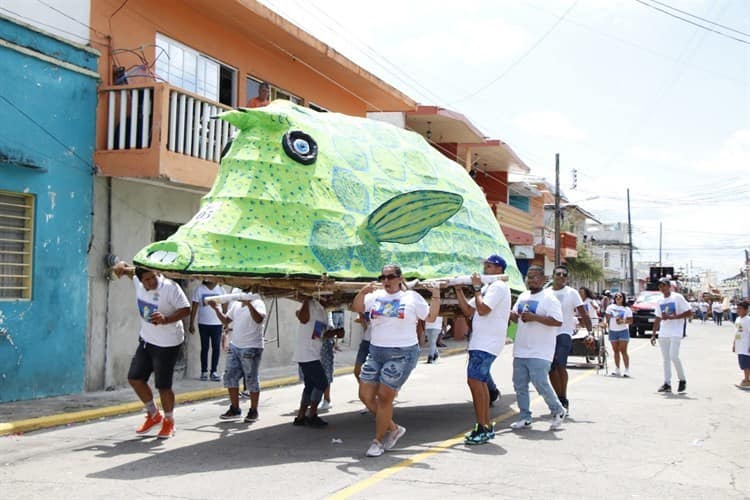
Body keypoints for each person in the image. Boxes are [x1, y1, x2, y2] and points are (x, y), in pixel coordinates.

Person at [352, 264, 440, 457]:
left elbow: (431, 317)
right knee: (365, 395)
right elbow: (357, 308)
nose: (386, 281)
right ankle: (393, 428)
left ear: (400, 278)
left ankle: (378, 441)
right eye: (382, 277)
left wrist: (436, 295)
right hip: (376, 351)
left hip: (402, 352)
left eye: (390, 277)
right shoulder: (375, 296)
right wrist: (362, 292)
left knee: (385, 396)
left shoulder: (411, 298)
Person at [112, 262, 190, 439]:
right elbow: (128, 270)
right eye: (147, 279)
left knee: (163, 385)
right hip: (147, 339)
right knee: (135, 378)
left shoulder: (170, 288)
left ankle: (169, 421)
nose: (151, 281)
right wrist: (120, 267)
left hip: (168, 342)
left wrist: (166, 319)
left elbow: (186, 309)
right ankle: (154, 414)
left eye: (153, 277)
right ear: (141, 281)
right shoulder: (137, 282)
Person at [454, 254, 511, 445]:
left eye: (489, 265)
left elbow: (484, 309)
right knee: (480, 383)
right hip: (480, 341)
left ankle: (482, 426)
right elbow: (469, 311)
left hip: (488, 342)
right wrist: (459, 291)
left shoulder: (498, 287)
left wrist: (477, 289)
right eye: (485, 265)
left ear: (499, 268)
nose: (485, 268)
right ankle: (485, 424)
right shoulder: (488, 287)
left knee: (475, 382)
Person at [509, 265, 566, 431]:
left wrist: (535, 317)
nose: (531, 280)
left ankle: (558, 410)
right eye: (529, 277)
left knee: (540, 382)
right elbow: (515, 316)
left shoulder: (549, 298)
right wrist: (509, 314)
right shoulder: (523, 296)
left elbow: (557, 321)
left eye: (535, 277)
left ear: (543, 279)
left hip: (541, 350)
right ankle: (525, 417)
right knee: (519, 385)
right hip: (521, 348)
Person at [209, 292, 266, 422]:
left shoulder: (258, 302)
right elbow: (225, 321)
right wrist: (216, 308)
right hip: (235, 346)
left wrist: (249, 305)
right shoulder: (235, 305)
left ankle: (253, 411)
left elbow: (259, 319)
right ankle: (235, 409)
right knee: (230, 377)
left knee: (251, 379)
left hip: (251, 346)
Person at [549, 265, 591, 412]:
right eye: (558, 274)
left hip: (564, 333)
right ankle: (557, 398)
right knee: (551, 368)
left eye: (564, 275)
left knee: (560, 364)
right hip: (548, 334)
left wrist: (589, 332)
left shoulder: (572, 293)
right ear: (553, 275)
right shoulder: (546, 292)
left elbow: (583, 313)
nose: (561, 276)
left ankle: (563, 397)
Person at [292, 297, 331, 428]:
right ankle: (312, 414)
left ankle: (301, 416)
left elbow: (318, 334)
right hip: (306, 354)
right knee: (322, 382)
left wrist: (335, 333)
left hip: (312, 353)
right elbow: (302, 318)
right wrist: (306, 299)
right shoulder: (310, 305)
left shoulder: (323, 310)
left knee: (310, 385)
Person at [651, 277, 692, 393]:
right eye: (660, 286)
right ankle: (667, 383)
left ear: (669, 286)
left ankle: (682, 379)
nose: (662, 288)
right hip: (664, 332)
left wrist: (673, 317)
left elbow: (689, 312)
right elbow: (658, 317)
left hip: (676, 331)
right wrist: (654, 334)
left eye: (664, 285)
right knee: (666, 359)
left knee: (674, 356)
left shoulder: (677, 297)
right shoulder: (659, 301)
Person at [189, 280, 224, 381]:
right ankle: (204, 371)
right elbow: (194, 307)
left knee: (216, 347)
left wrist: (225, 322)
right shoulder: (199, 289)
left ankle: (214, 371)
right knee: (205, 347)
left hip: (217, 324)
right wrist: (191, 323)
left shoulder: (221, 289)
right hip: (203, 324)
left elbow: (225, 306)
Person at [320, 310, 345, 411]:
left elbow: (339, 332)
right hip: (317, 346)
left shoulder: (331, 313)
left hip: (325, 346)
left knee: (326, 374)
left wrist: (335, 337)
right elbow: (320, 333)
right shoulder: (320, 312)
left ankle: (326, 399)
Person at [605, 292, 633, 377]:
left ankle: (627, 369)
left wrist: (623, 321)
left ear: (623, 298)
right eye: (616, 296)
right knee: (615, 350)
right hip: (612, 330)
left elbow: (631, 321)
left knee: (623, 350)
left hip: (623, 330)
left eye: (620, 296)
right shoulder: (610, 307)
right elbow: (606, 318)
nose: (618, 298)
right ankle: (617, 369)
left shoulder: (626, 309)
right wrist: (604, 324)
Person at [733, 301, 750, 388]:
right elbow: (736, 333)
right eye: (737, 308)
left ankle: (747, 380)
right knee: (742, 364)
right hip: (740, 345)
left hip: (746, 345)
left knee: (746, 364)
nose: (738, 310)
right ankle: (746, 378)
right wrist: (734, 344)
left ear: (746, 310)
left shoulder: (748, 320)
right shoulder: (738, 319)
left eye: (740, 309)